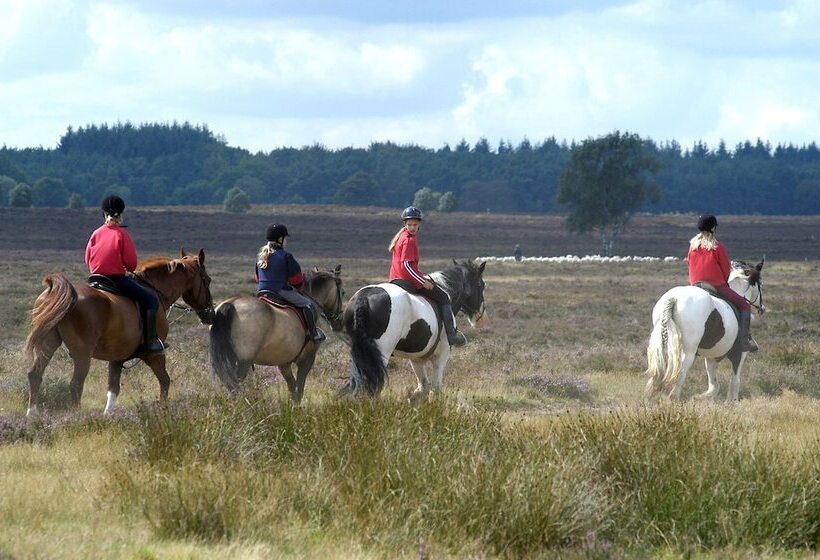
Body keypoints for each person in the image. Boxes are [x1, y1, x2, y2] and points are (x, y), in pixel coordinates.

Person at [85, 195, 164, 354]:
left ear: (104, 213)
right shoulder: (122, 235)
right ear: (121, 214)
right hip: (116, 280)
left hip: (95, 279)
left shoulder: (95, 233)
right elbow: (131, 265)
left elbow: (87, 259)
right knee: (150, 300)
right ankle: (150, 344)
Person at [388, 206, 466, 347]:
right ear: (404, 224)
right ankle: (452, 336)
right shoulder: (409, 240)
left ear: (419, 225)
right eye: (410, 224)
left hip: (395, 278)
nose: (412, 227)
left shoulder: (401, 237)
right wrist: (422, 281)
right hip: (405, 280)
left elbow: (408, 266)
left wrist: (421, 276)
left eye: (415, 225)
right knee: (443, 297)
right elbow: (406, 265)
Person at [688, 214, 758, 352]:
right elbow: (726, 269)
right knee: (744, 305)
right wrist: (724, 282)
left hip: (695, 285)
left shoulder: (692, 247)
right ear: (713, 228)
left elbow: (690, 267)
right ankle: (743, 342)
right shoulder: (717, 247)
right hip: (715, 286)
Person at [255, 224, 325, 343]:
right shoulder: (286, 256)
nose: (286, 241)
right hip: (280, 291)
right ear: (280, 239)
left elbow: (257, 278)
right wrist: (299, 287)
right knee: (308, 304)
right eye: (285, 238)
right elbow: (296, 280)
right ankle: (314, 333)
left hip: (262, 292)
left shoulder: (261, 257)